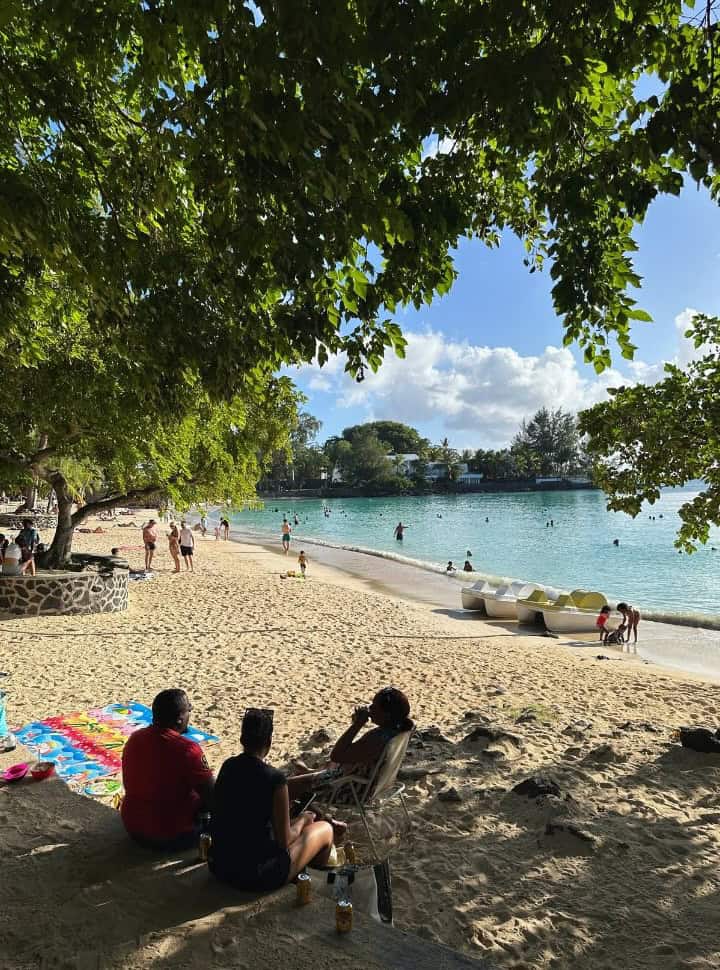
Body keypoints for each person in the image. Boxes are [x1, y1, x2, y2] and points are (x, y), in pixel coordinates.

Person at [209, 708, 334, 891]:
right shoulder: (275, 779)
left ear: (242, 740)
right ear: (268, 742)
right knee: (324, 829)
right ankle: (310, 881)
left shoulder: (228, 766)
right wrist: (302, 821)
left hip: (220, 866)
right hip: (257, 875)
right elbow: (285, 841)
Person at [120, 689, 215, 851]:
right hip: (171, 835)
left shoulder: (135, 738)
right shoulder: (187, 749)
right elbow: (213, 796)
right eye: (187, 712)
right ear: (179, 719)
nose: (189, 717)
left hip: (133, 827)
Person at [287, 688, 413, 803]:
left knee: (284, 786)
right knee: (311, 774)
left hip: (350, 790)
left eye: (375, 705)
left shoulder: (377, 739)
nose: (370, 708)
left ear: (387, 714)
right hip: (373, 784)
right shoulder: (399, 731)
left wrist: (356, 725)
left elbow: (336, 755)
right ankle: (310, 772)